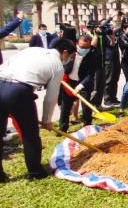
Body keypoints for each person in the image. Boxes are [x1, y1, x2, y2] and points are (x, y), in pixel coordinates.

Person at [0, 38, 76, 182]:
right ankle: (35, 172)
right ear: (65, 52)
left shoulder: (32, 50)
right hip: (18, 91)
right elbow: (51, 98)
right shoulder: (57, 65)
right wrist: (47, 120)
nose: (69, 60)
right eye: (70, 57)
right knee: (30, 135)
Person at [59, 35, 97, 132]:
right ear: (77, 44)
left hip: (83, 83)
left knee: (86, 107)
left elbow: (90, 75)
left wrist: (80, 86)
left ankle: (87, 127)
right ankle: (63, 129)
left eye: (86, 48)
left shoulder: (93, 56)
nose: (84, 49)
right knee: (65, 106)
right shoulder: (69, 52)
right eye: (82, 47)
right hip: (69, 81)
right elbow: (62, 64)